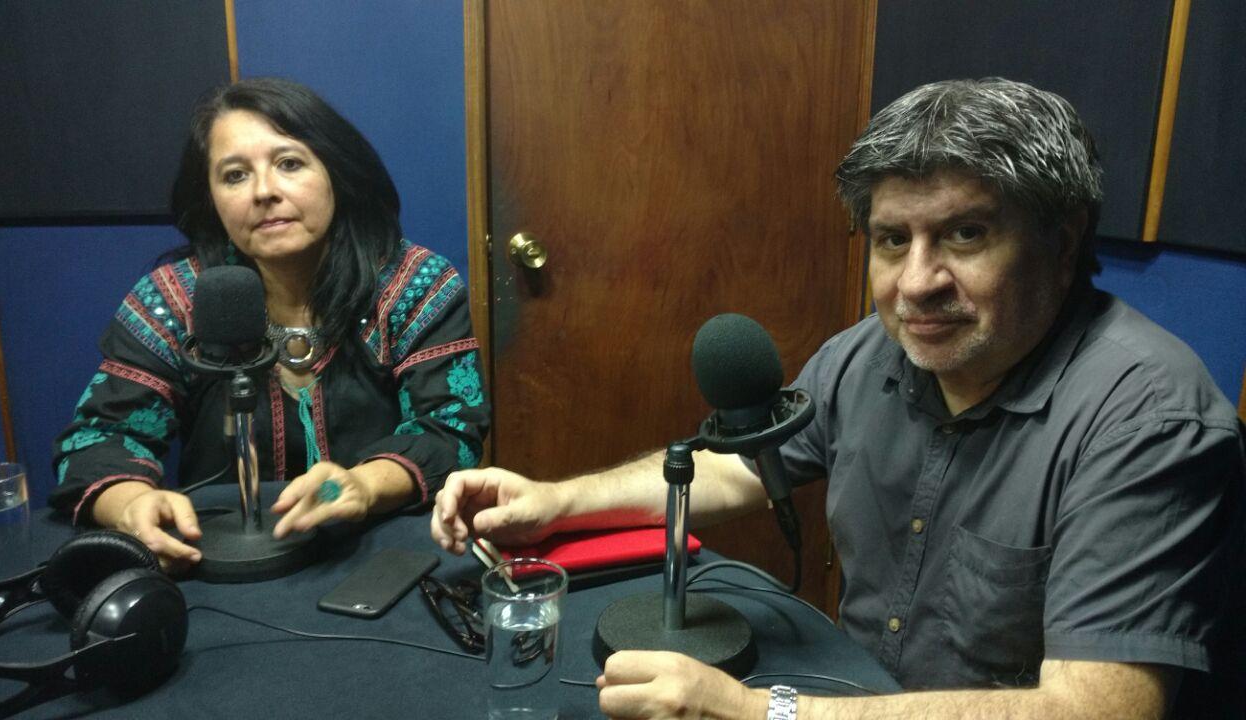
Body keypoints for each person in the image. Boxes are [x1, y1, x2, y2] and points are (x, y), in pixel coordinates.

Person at [431, 78, 1244, 718]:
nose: (917, 284)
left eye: (965, 234)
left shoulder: (1150, 416)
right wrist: (554, 502)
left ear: (1062, 244)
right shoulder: (870, 353)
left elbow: (1097, 710)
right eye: (893, 240)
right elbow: (734, 470)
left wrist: (764, 713)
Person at [51, 78, 489, 573]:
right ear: (211, 197)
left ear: (336, 174)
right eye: (235, 175)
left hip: (382, 556)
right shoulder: (172, 299)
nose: (264, 192)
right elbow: (98, 437)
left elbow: (450, 432)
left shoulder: (415, 286)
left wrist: (366, 486)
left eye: (290, 163)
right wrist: (129, 504)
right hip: (216, 563)